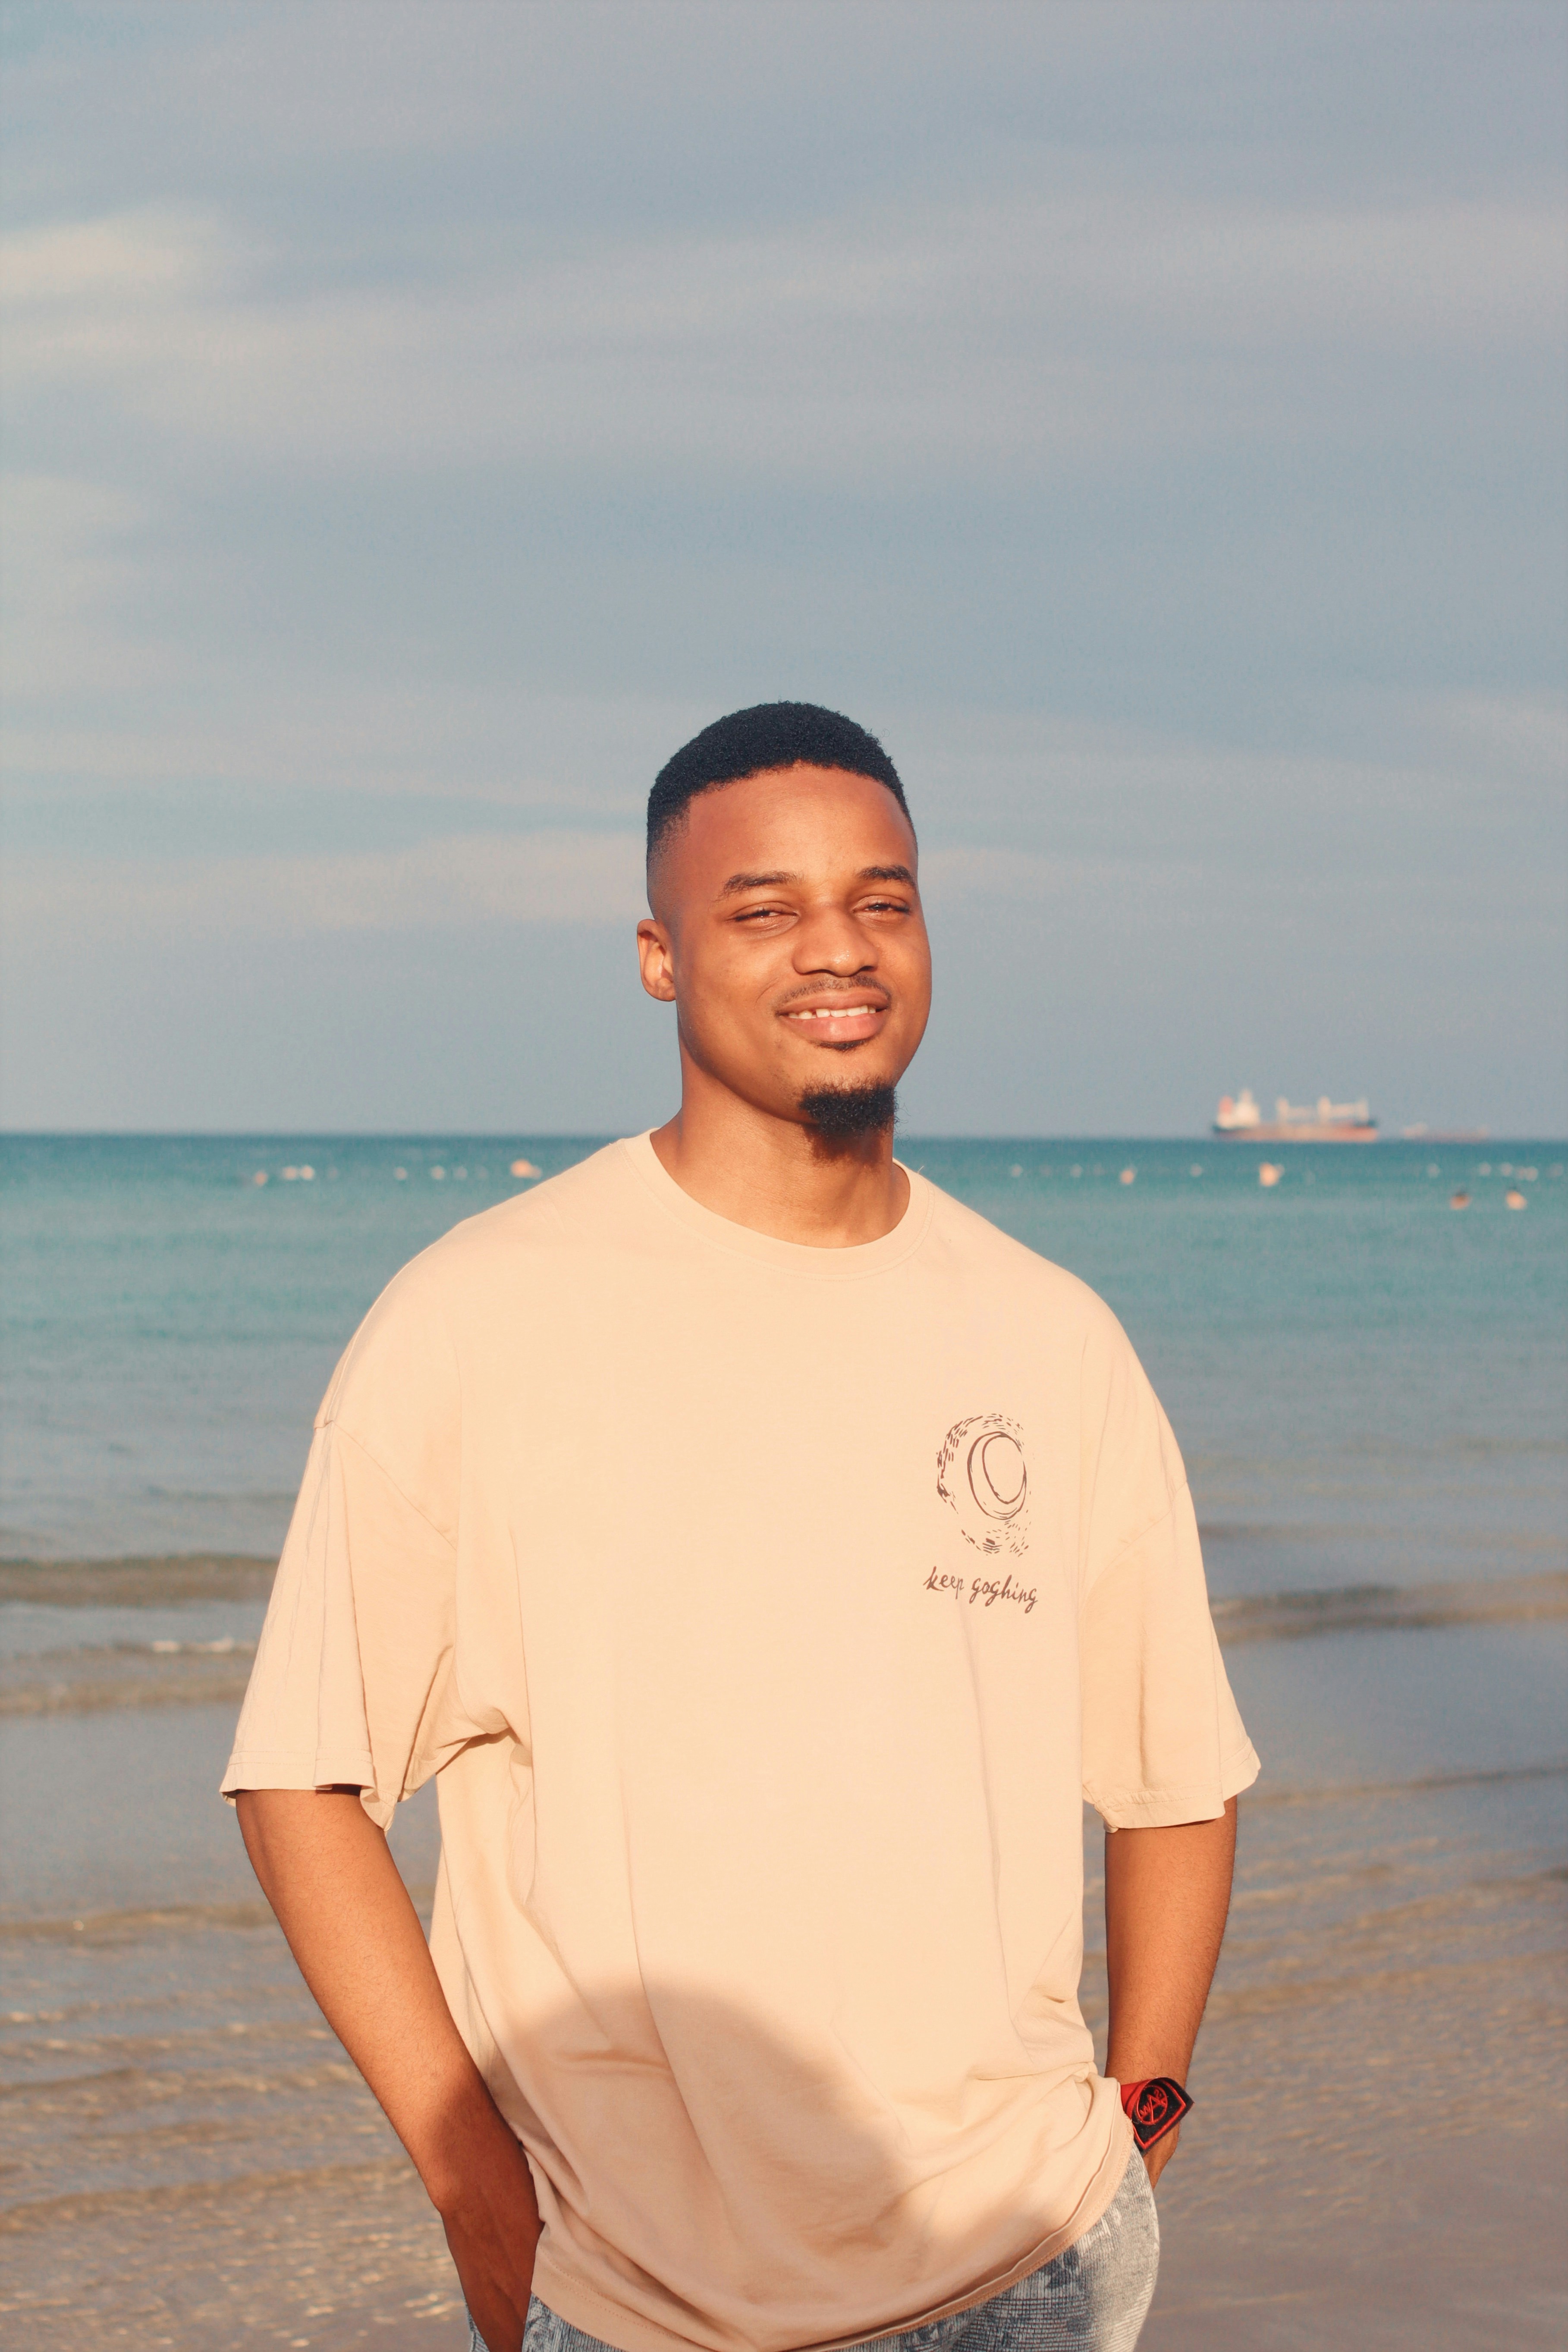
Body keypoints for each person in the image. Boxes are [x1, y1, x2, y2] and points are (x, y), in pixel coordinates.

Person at [225, 702, 1257, 2352]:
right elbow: (300, 1775)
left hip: (1028, 2268)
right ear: (658, 954)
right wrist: (467, 2174)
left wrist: (1137, 2120)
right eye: (760, 908)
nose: (834, 951)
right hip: (643, 2301)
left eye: (882, 898)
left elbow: (1175, 1776)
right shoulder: (477, 1318)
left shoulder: (1048, 1335)